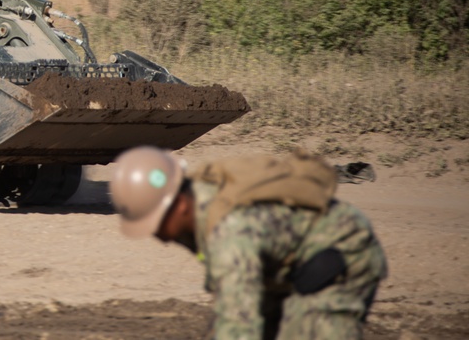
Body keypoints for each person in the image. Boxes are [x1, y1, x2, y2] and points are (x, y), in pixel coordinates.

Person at [109, 146, 387, 340]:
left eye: (156, 225)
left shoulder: (229, 234)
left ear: (180, 205)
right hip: (285, 261)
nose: (160, 238)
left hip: (345, 253)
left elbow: (239, 326)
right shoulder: (198, 200)